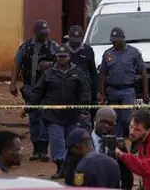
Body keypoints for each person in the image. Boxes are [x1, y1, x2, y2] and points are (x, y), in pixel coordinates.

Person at [31, 45, 92, 179]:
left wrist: (83, 110)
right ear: (56, 57)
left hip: (72, 115)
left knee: (72, 142)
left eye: (64, 56)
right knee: (57, 142)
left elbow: (85, 92)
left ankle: (72, 168)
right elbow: (38, 91)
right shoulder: (49, 73)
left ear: (69, 57)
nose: (62, 59)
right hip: (53, 115)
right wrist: (29, 106)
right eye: (59, 56)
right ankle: (61, 167)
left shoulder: (78, 72)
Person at [9, 19, 58, 162]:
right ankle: (36, 149)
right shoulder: (26, 47)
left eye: (47, 32)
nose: (45, 35)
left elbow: (62, 62)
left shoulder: (53, 47)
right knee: (33, 118)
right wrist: (12, 83)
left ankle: (43, 150)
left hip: (47, 89)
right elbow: (17, 64)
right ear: (36, 33)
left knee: (45, 118)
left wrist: (51, 65)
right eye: (43, 33)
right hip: (30, 88)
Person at [99, 27, 148, 138]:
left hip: (127, 90)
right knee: (114, 119)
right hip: (112, 90)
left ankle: (133, 139)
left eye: (117, 40)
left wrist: (145, 93)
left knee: (127, 119)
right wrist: (102, 92)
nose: (115, 43)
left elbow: (143, 73)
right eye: (113, 41)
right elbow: (103, 74)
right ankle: (118, 141)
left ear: (123, 39)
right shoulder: (108, 54)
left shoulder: (133, 53)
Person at [88, 107, 133, 190]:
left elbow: (127, 174)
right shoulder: (85, 141)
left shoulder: (118, 144)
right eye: (103, 121)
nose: (106, 126)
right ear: (95, 120)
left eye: (110, 124)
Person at [64, 25, 98, 122]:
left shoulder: (88, 50)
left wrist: (95, 92)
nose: (76, 42)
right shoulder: (62, 49)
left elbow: (93, 72)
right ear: (69, 37)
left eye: (78, 39)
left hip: (84, 89)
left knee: (85, 119)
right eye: (73, 40)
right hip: (67, 89)